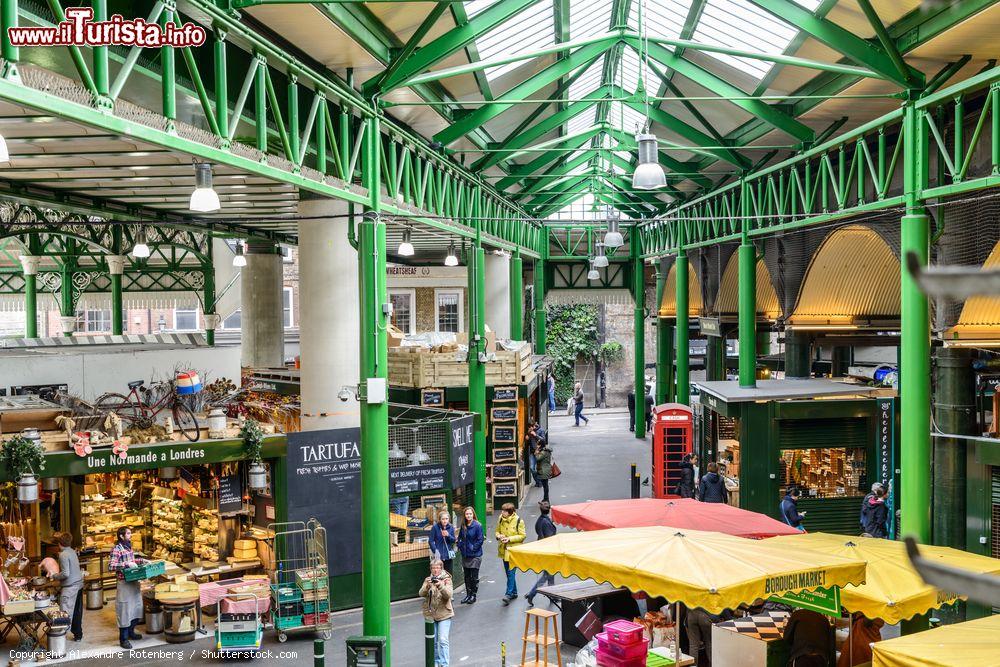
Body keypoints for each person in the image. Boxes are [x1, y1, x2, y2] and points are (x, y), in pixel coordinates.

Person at [108, 526, 146, 649]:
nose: (131, 535)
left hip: (134, 581)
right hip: (124, 583)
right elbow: (111, 566)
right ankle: (123, 639)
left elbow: (132, 560)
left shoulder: (128, 547)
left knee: (136, 607)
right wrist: (126, 564)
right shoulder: (117, 549)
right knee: (124, 610)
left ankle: (131, 632)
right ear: (121, 536)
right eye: (128, 533)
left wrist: (142, 561)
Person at [419, 559, 454, 667]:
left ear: (441, 568)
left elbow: (448, 595)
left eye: (437, 568)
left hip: (444, 614)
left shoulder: (447, 579)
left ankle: (444, 664)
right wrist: (427, 586)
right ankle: (435, 662)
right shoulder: (428, 579)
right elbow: (421, 593)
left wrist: (440, 585)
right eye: (433, 568)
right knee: (432, 642)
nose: (435, 570)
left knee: (443, 640)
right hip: (431, 615)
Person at [50, 532, 84, 642]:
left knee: (65, 612)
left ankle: (60, 638)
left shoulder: (63, 554)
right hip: (79, 584)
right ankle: (78, 634)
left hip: (70, 587)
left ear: (59, 543)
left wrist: (54, 576)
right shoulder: (72, 551)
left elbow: (65, 573)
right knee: (77, 612)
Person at [525, 501, 557, 606]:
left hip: (543, 550)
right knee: (547, 575)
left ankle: (553, 596)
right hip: (548, 552)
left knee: (550, 575)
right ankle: (532, 593)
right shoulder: (546, 522)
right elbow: (550, 538)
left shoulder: (540, 520)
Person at [495, 502, 526, 605]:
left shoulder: (519, 521)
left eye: (504, 511)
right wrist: (499, 536)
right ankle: (514, 592)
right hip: (504, 550)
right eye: (502, 510)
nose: (502, 512)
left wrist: (509, 539)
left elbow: (522, 536)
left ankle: (508, 594)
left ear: (510, 512)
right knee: (508, 573)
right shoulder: (500, 518)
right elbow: (497, 531)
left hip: (513, 551)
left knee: (511, 572)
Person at [457, 507, 483, 604]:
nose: (468, 515)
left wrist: (473, 548)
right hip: (465, 554)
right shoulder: (463, 525)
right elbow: (460, 537)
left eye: (470, 514)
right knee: (466, 576)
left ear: (473, 514)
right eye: (467, 514)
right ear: (464, 515)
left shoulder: (478, 526)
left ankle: (473, 595)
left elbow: (480, 540)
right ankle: (468, 595)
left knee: (474, 577)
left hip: (475, 555)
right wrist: (460, 545)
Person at [533, 438, 554, 503]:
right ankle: (545, 499)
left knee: (545, 486)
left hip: (544, 470)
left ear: (540, 445)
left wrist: (536, 453)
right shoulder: (546, 450)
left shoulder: (543, 452)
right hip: (546, 469)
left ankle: (546, 499)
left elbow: (538, 458)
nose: (537, 446)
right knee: (545, 486)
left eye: (538, 445)